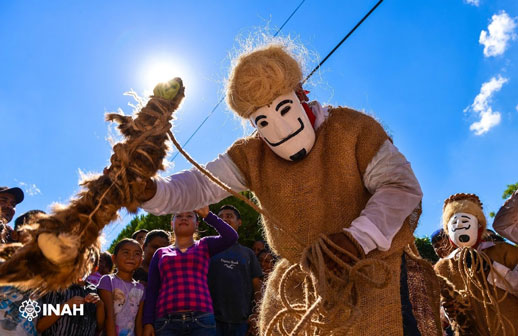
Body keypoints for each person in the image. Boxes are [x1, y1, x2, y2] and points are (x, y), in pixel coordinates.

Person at [139, 41, 439, 335]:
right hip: (300, 288)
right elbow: (199, 184)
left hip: (374, 277)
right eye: (263, 122)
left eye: (284, 109)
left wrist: (356, 239)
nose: (280, 129)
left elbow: (400, 186)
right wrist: (150, 191)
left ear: (300, 95)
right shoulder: (250, 154)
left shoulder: (352, 128)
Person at [143, 207, 238, 336]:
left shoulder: (204, 245)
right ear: (172, 223)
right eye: (179, 215)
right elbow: (152, 290)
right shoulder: (160, 253)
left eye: (189, 216)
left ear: (197, 224)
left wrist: (207, 215)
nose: (184, 218)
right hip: (166, 322)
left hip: (202, 320)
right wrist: (148, 322)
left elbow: (231, 237)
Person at [435, 193, 518, 335]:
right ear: (448, 233)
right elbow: (441, 315)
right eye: (454, 223)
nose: (460, 225)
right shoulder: (442, 268)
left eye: (465, 221)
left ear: (479, 226)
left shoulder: (505, 251)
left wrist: (491, 268)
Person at [207, 205, 262, 336]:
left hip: (242, 321)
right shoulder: (207, 248)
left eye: (229, 216)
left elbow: (257, 286)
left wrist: (257, 313)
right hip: (210, 320)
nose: (224, 219)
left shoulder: (248, 253)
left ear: (239, 222)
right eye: (220, 218)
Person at [98, 238, 146, 336]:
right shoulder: (108, 281)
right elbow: (109, 316)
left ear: (141, 260)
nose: (131, 257)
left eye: (137, 254)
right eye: (126, 252)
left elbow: (138, 322)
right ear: (114, 258)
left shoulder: (141, 289)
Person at [36, 277, 105, 336]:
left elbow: (99, 327)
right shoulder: (55, 287)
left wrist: (100, 305)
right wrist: (66, 306)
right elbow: (40, 327)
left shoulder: (93, 289)